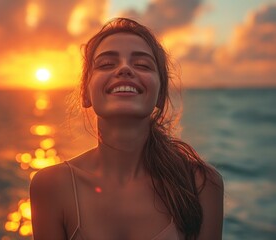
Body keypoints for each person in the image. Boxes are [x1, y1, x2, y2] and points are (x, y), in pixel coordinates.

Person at [30, 18, 224, 240]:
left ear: (160, 95)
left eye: (142, 65)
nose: (124, 69)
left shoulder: (201, 184)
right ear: (85, 92)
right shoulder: (51, 186)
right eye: (106, 64)